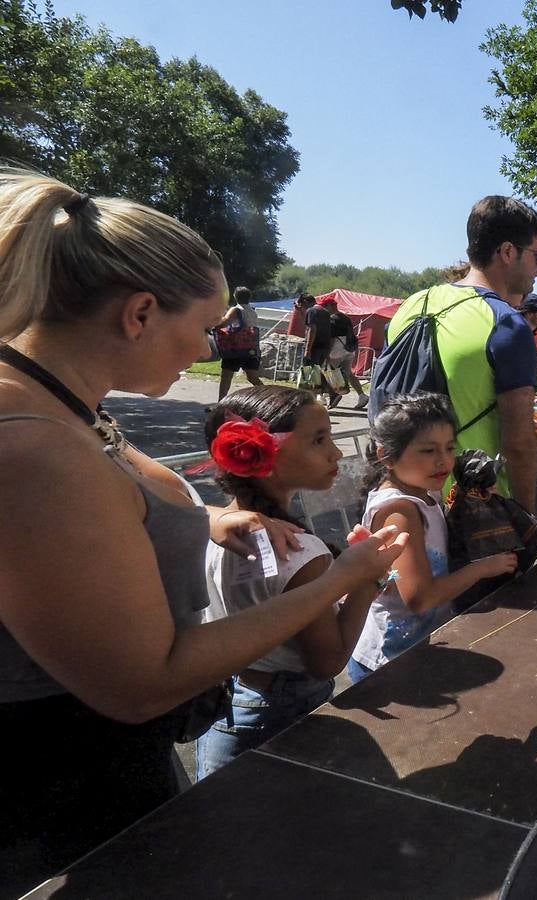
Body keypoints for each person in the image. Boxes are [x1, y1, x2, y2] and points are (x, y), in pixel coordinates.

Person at [0, 171, 406, 895]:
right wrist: (343, 581)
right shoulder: (33, 446)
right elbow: (143, 682)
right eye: (208, 327)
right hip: (61, 808)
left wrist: (207, 514)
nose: (215, 346)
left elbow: (108, 495)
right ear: (140, 313)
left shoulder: (54, 398)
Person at [195, 386, 384, 778]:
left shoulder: (212, 529)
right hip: (282, 709)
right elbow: (327, 662)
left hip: (227, 701)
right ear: (267, 455)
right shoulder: (299, 551)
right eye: (319, 440)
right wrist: (365, 579)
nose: (335, 453)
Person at [385, 195, 537, 512]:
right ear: (507, 252)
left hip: (406, 499)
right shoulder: (507, 325)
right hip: (473, 508)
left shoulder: (413, 305)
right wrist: (528, 521)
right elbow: (518, 444)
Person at [349, 392, 519, 683]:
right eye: (428, 451)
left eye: (449, 448)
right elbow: (420, 598)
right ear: (385, 455)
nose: (444, 461)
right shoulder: (400, 511)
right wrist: (482, 568)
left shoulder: (421, 492)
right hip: (389, 662)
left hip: (419, 646)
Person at [213, 285, 264, 400]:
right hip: (251, 348)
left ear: (235, 296)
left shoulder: (236, 309)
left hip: (236, 347)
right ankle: (267, 395)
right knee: (252, 377)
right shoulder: (252, 311)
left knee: (226, 375)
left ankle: (221, 402)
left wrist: (212, 320)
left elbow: (223, 323)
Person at [319, 295, 369, 410]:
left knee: (327, 371)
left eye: (325, 306)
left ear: (331, 306)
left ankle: (333, 395)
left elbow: (332, 338)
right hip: (349, 349)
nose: (324, 309)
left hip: (336, 349)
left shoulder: (332, 319)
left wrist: (327, 353)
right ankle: (362, 395)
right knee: (349, 373)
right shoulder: (345, 318)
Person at [298, 292, 341, 408]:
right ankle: (331, 393)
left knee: (310, 373)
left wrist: (308, 348)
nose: (301, 308)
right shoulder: (325, 312)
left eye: (301, 306)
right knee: (316, 372)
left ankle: (309, 400)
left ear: (305, 303)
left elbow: (312, 329)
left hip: (314, 346)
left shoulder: (311, 311)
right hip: (324, 346)